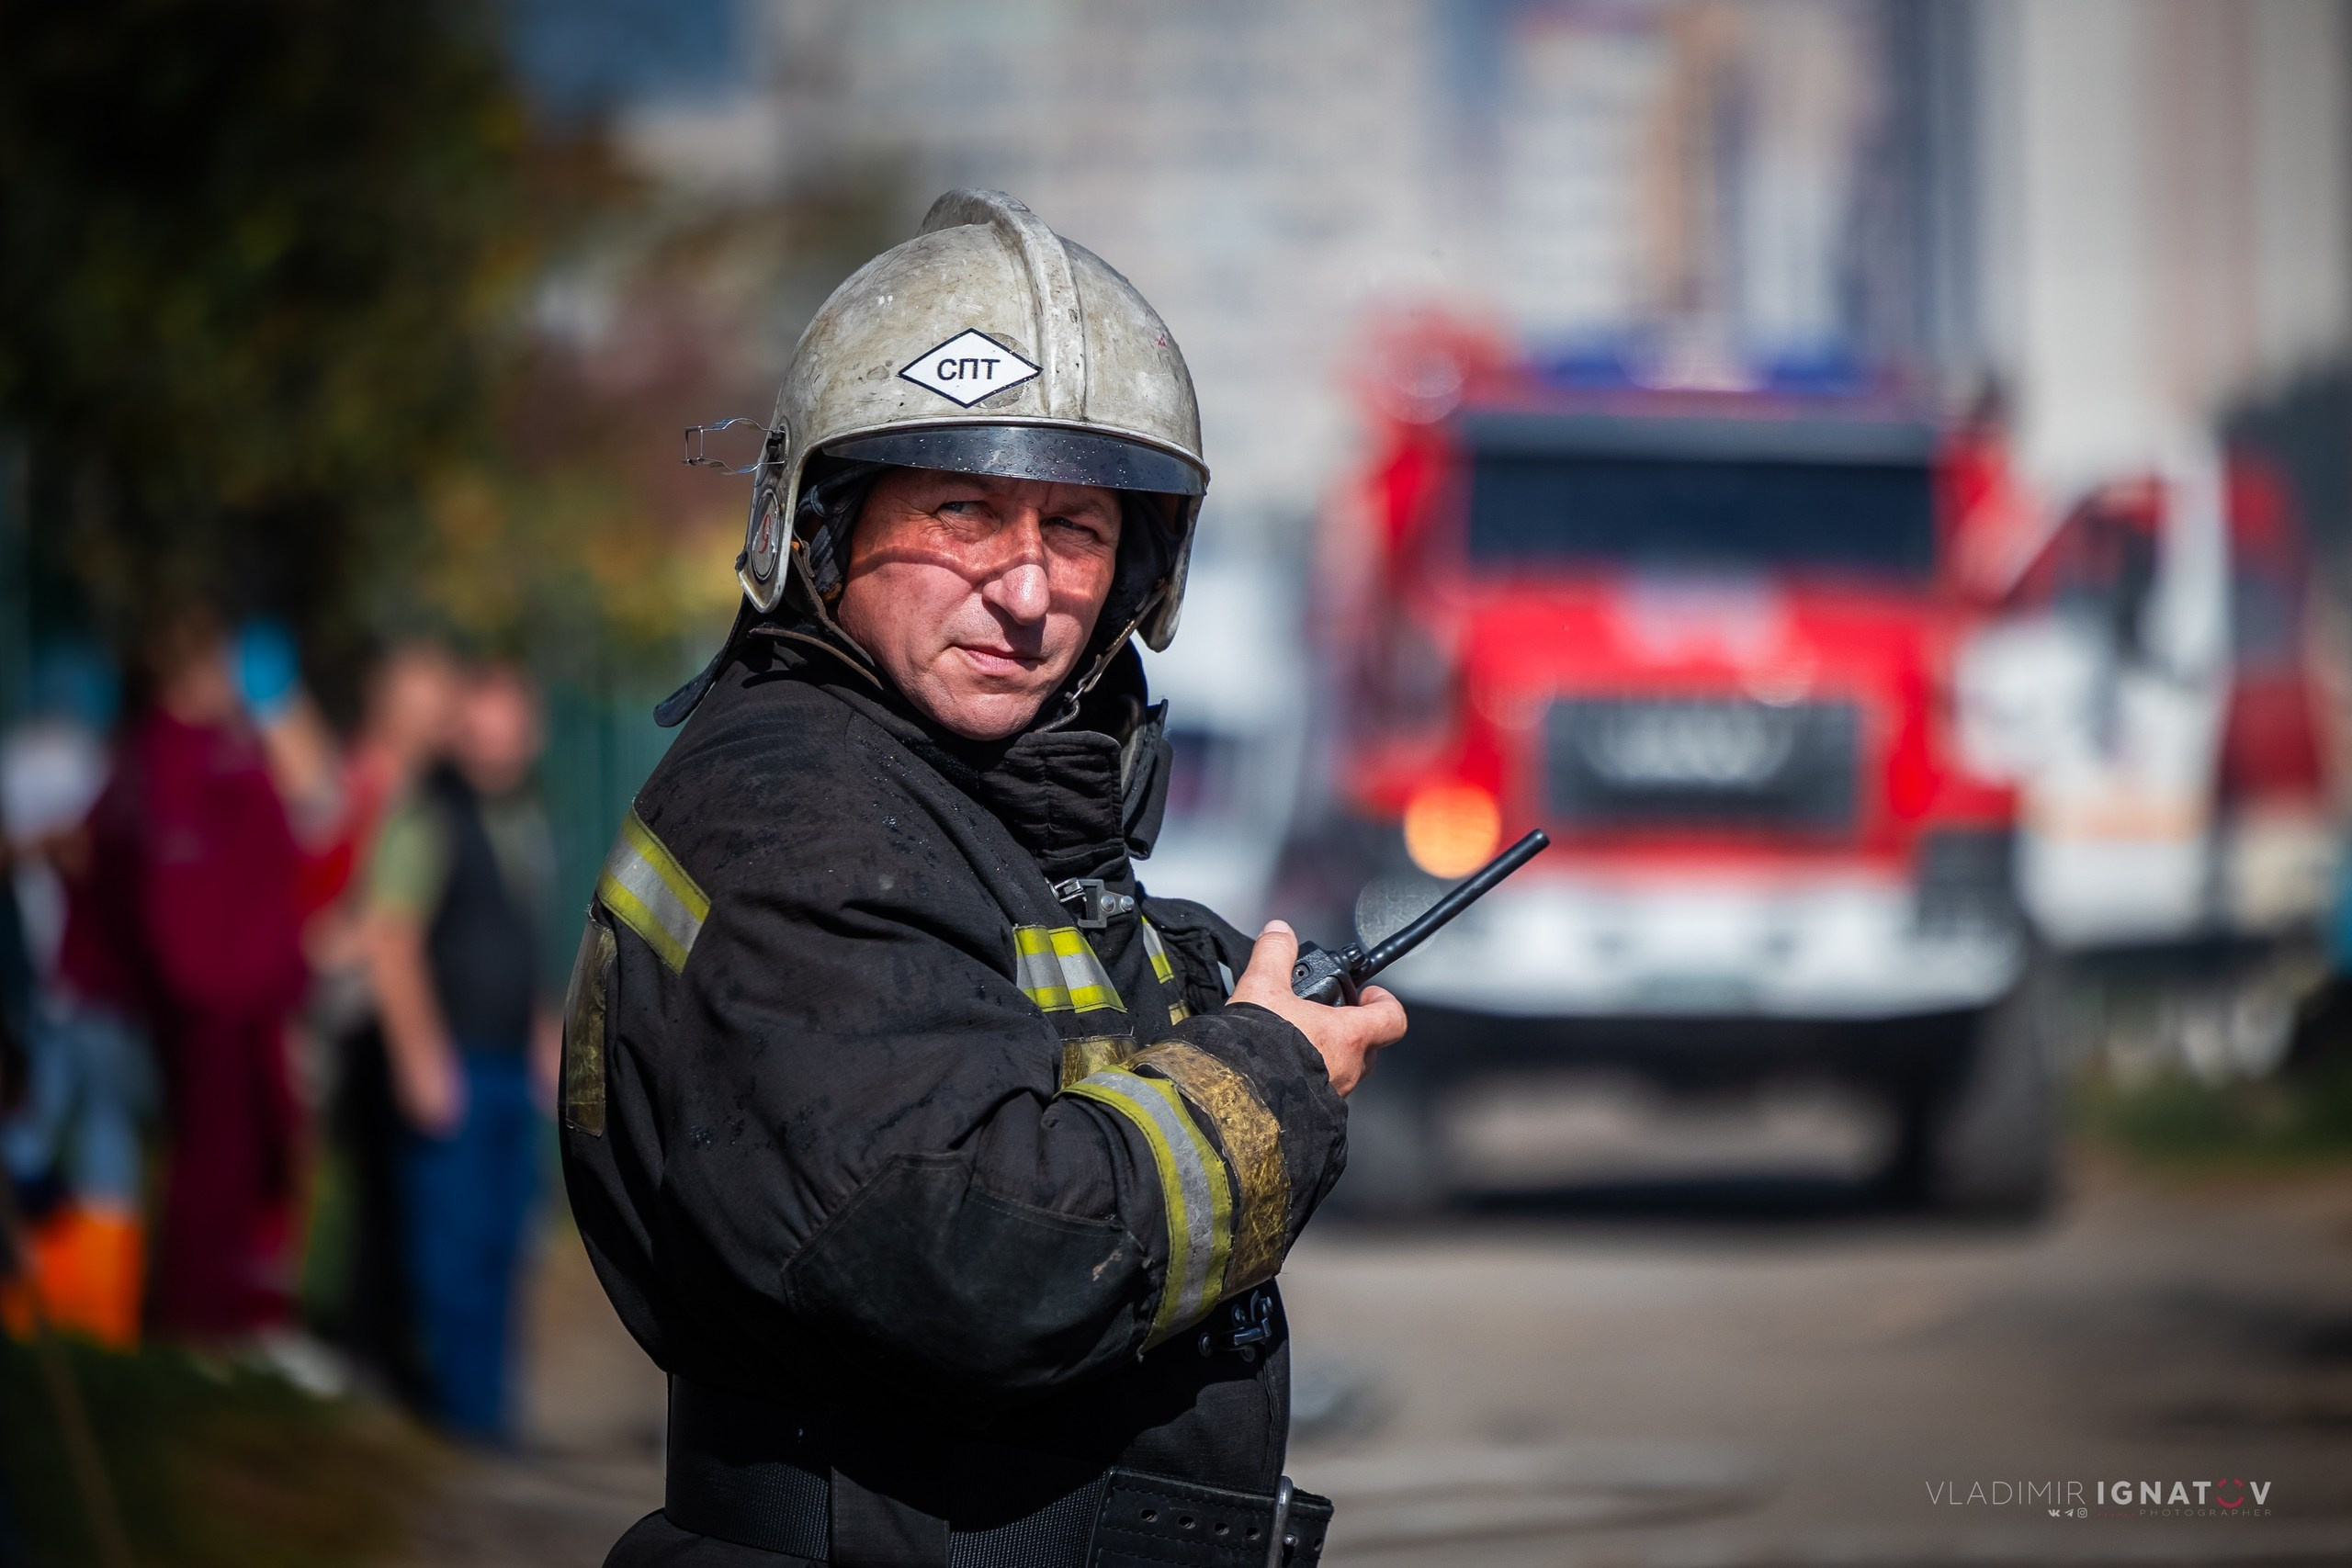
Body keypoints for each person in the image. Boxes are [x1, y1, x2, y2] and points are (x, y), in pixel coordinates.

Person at [565, 190, 1404, 1568]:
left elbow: (972, 1028)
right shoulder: (806, 815)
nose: (1026, 588)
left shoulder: (954, 797)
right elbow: (980, 1254)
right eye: (964, 508)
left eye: (1074, 527)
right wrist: (1266, 1082)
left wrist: (1191, 999)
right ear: (821, 524)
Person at [86, 606, 311, 1343]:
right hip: (221, 998)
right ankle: (206, 1322)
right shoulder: (201, 760)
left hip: (207, 992)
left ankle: (220, 1314)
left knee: (222, 1165)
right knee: (218, 1171)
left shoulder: (143, 760)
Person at [365, 660, 557, 1442]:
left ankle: (491, 1415)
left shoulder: (527, 816)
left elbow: (524, 938)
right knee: (455, 1248)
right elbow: (390, 939)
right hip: (457, 1064)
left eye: (514, 723)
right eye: (487, 721)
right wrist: (418, 1055)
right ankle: (462, 1422)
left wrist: (546, 1032)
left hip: (511, 1061)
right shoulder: (427, 814)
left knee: (509, 1242)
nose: (501, 739)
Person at [308, 641, 459, 1405]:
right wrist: (419, 1050)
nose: (444, 719)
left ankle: (366, 1344)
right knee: (373, 1189)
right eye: (432, 704)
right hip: (351, 1012)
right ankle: (366, 1349)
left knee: (369, 1188)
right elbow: (384, 930)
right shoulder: (383, 789)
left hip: (345, 1005)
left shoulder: (362, 779)